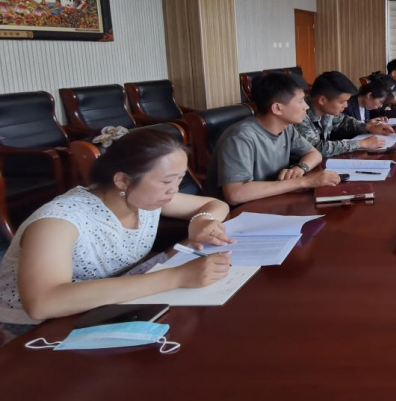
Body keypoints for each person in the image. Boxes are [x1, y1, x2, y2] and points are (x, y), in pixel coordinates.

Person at [0, 129, 233, 343]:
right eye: (166, 180)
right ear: (122, 180)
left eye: (180, 178)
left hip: (108, 303)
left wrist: (202, 220)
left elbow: (216, 205)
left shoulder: (145, 198)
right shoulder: (58, 221)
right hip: (36, 330)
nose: (174, 189)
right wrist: (176, 277)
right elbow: (42, 303)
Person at [208, 72, 340, 205]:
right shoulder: (240, 137)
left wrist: (300, 168)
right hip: (237, 211)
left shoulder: (286, 128)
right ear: (277, 108)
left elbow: (314, 154)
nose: (306, 106)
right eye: (300, 101)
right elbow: (235, 194)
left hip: (270, 201)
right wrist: (303, 182)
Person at [296, 72, 394, 156]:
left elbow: (344, 121)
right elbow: (315, 149)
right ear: (322, 100)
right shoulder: (300, 115)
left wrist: (369, 127)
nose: (346, 105)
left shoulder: (327, 111)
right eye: (342, 102)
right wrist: (361, 143)